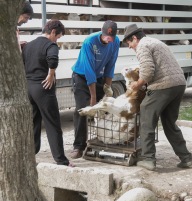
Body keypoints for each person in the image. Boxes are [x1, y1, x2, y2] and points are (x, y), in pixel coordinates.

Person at [123, 24, 192, 171]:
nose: (130, 47)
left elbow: (148, 71)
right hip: (179, 84)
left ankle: (148, 159)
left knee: (146, 115)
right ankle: (186, 157)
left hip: (164, 85)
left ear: (135, 38)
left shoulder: (142, 46)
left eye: (129, 43)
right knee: (169, 123)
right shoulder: (156, 42)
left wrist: (137, 84)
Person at [22, 20, 73, 166]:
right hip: (43, 88)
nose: (57, 40)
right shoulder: (50, 45)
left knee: (34, 123)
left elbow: (23, 61)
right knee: (53, 124)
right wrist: (51, 74)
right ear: (52, 32)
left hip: (29, 87)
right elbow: (53, 58)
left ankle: (30, 155)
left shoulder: (29, 45)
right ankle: (61, 160)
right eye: (58, 37)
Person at [70, 20, 120, 159]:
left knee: (104, 108)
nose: (109, 40)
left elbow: (111, 64)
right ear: (101, 32)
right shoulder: (89, 42)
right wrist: (92, 98)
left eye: (111, 37)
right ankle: (78, 146)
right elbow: (89, 70)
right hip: (81, 76)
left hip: (98, 76)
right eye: (106, 37)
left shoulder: (115, 42)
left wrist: (107, 87)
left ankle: (104, 140)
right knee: (82, 109)